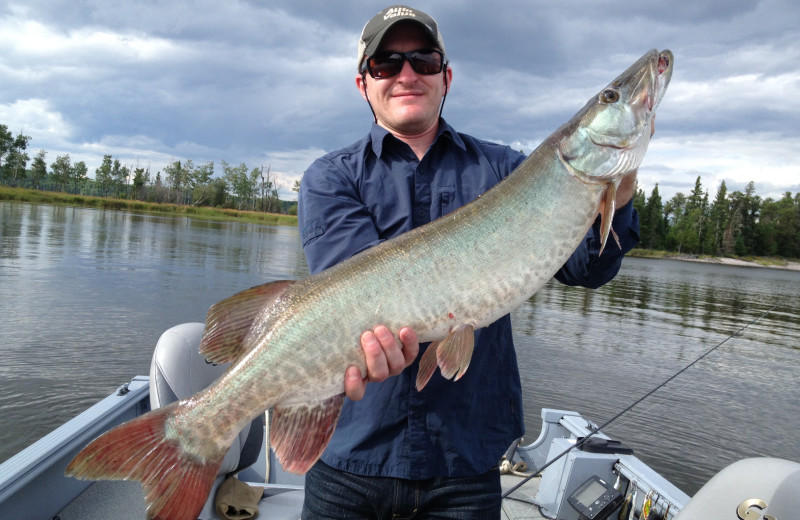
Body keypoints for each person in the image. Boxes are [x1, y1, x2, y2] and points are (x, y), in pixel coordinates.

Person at [297, 5, 641, 518]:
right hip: (351, 461)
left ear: (446, 77)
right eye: (387, 63)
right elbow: (359, 295)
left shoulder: (507, 169)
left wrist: (618, 198)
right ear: (364, 83)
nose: (407, 74)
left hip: (466, 462)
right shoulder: (331, 178)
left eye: (424, 60)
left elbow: (586, 269)